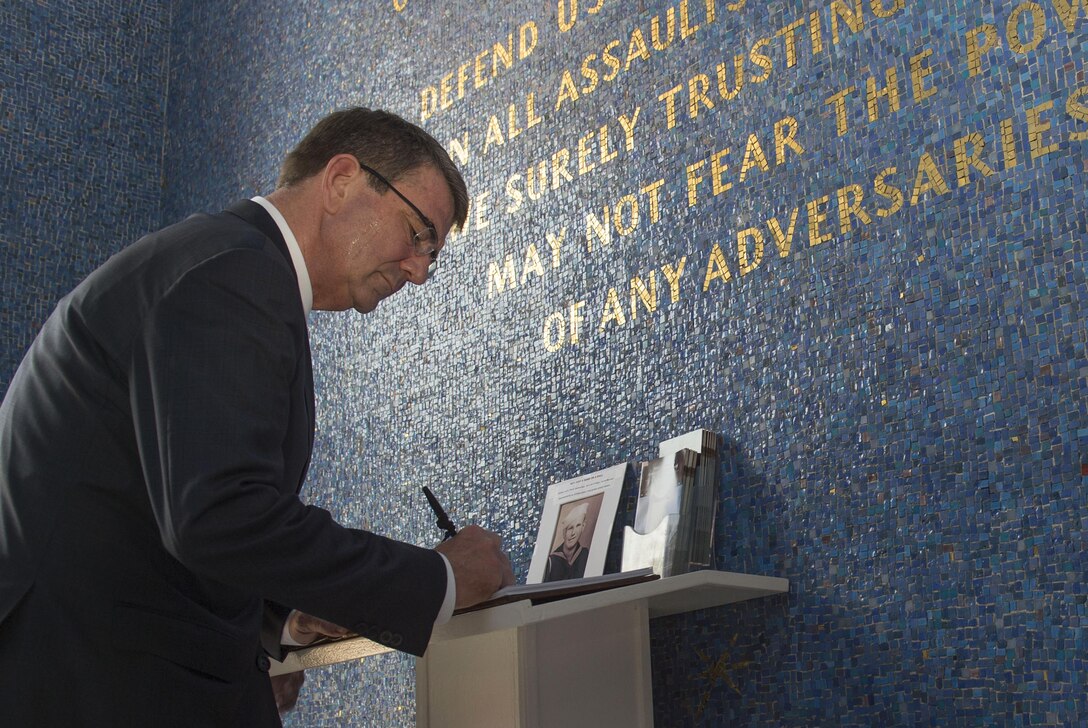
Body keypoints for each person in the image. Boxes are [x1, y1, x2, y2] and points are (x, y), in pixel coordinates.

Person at [0, 107, 514, 726]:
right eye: (417, 232)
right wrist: (439, 577)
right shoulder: (236, 273)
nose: (420, 270)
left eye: (432, 254)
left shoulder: (221, 261)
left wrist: (289, 619)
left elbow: (164, 512)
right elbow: (219, 514)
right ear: (341, 179)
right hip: (103, 680)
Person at [543, 502, 590, 582]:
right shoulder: (551, 562)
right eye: (570, 528)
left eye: (578, 526)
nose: (573, 533)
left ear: (583, 527)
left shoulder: (585, 555)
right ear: (564, 533)